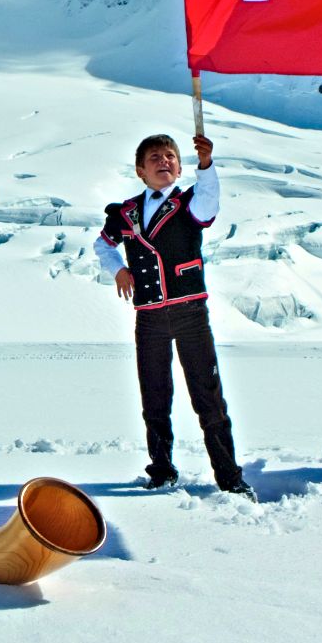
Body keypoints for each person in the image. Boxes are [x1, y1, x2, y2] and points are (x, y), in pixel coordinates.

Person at [94, 131, 251, 495]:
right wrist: (117, 268)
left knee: (207, 398)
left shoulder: (189, 204)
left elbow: (210, 201)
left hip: (190, 313)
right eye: (154, 158)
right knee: (155, 397)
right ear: (140, 171)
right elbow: (102, 245)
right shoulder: (126, 212)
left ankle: (230, 479)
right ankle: (161, 470)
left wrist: (207, 165)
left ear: (180, 168)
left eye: (169, 157)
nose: (163, 161)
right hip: (149, 318)